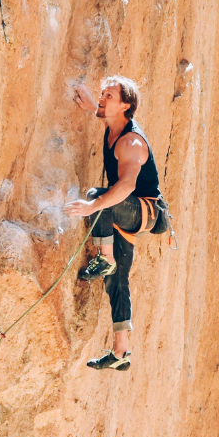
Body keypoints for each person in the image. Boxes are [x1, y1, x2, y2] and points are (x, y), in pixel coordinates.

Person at [64, 76, 161, 371]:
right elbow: (105, 118)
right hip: (127, 213)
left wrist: (92, 206)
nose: (103, 97)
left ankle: (104, 258)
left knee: (99, 195)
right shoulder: (114, 125)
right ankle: (121, 353)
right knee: (117, 280)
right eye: (102, 93)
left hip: (142, 210)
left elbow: (125, 187)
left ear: (126, 106)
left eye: (109, 95)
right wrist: (92, 105)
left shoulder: (131, 141)